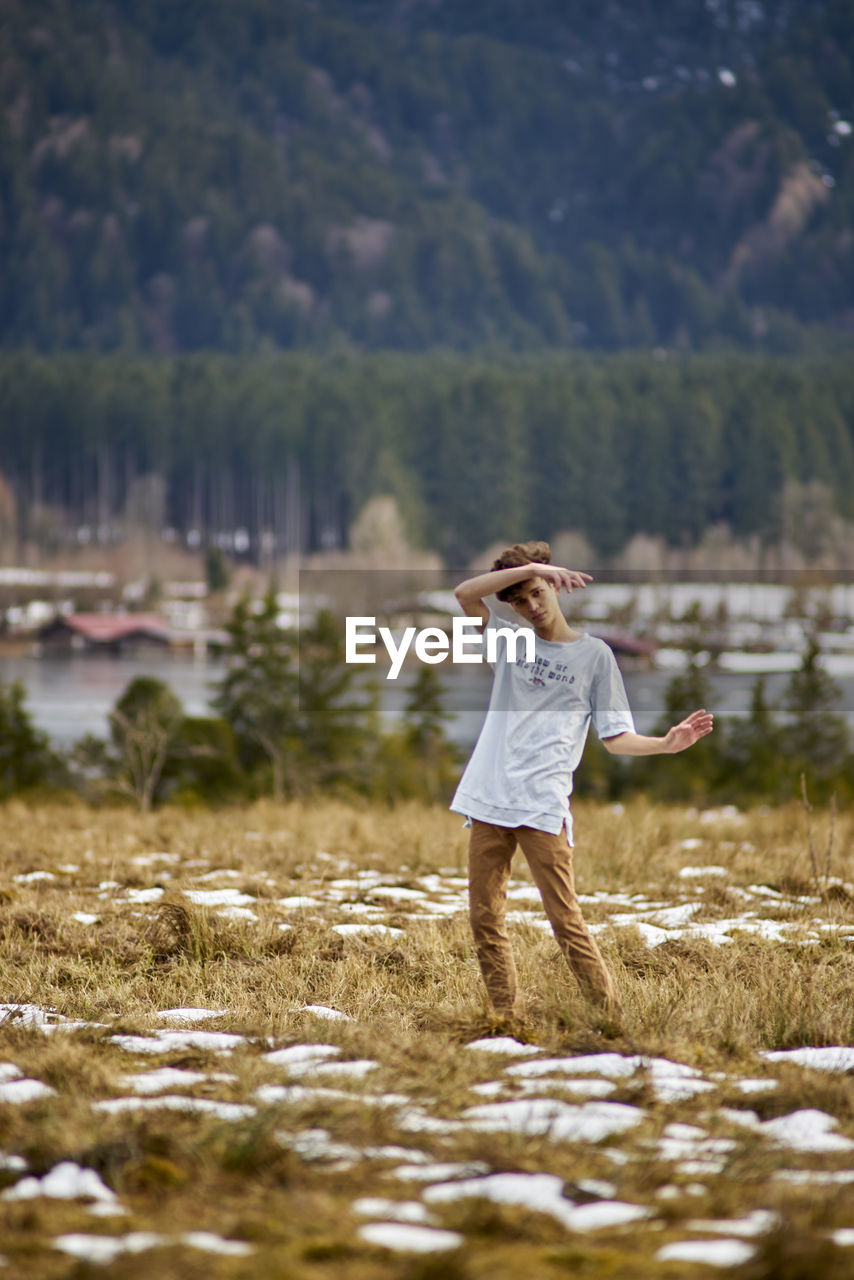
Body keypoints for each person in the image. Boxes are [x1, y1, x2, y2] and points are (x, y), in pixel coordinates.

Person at [450, 540, 713, 1021]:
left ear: (553, 586)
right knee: (485, 919)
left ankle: (609, 1019)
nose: (531, 606)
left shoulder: (596, 657)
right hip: (489, 799)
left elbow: (616, 738)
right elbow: (465, 594)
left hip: (542, 804)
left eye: (537, 592)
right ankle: (503, 1017)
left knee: (565, 920)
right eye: (521, 599)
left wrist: (664, 744)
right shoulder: (510, 641)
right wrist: (528, 567)